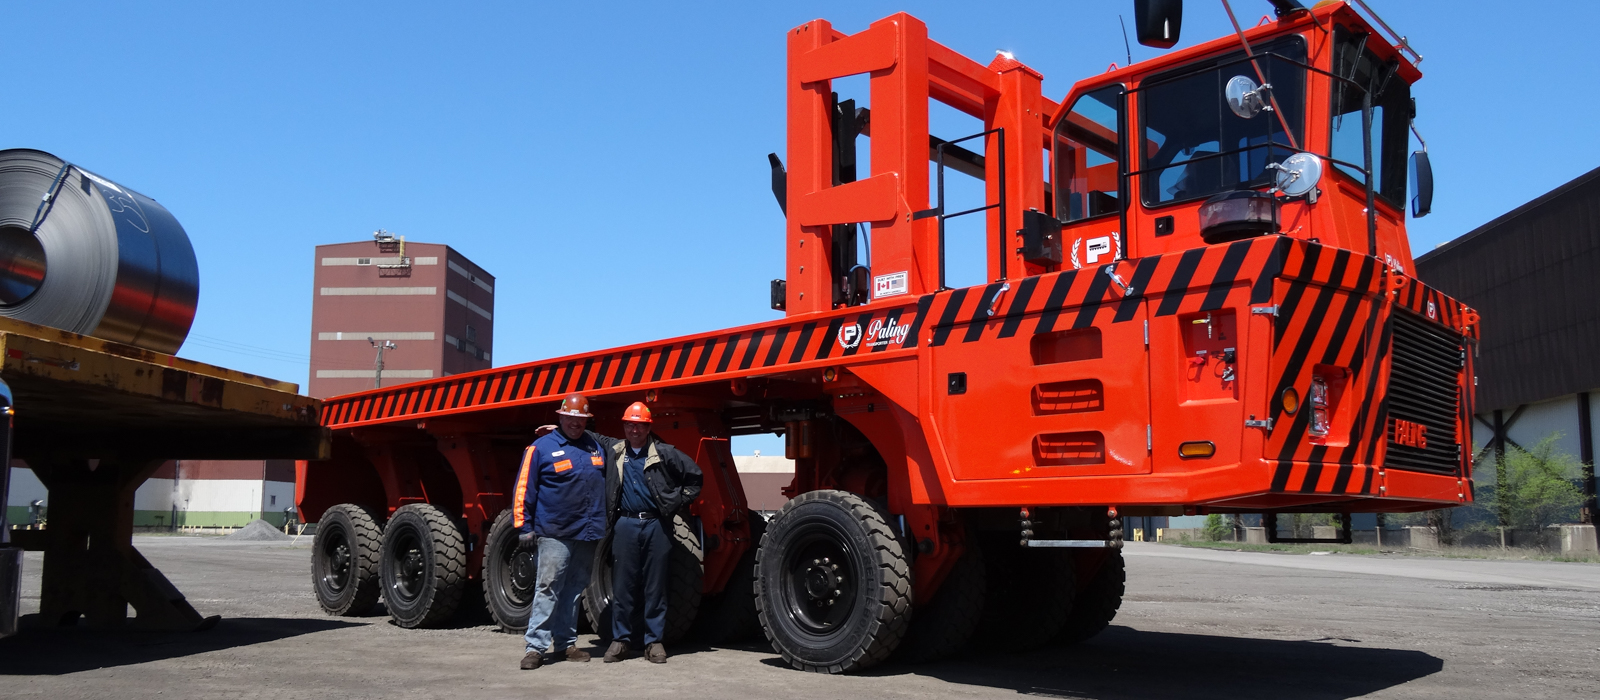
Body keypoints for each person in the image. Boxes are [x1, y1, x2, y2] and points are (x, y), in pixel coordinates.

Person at [599, 402, 702, 664]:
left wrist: (676, 502)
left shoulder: (666, 453)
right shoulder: (615, 451)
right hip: (625, 524)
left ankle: (653, 642)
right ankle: (620, 641)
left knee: (656, 586)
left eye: (640, 425)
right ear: (624, 426)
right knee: (623, 586)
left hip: (657, 525)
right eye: (630, 424)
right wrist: (557, 433)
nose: (634, 429)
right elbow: (588, 436)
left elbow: (695, 477)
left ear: (648, 427)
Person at [517, 394, 609, 671]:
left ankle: (566, 643)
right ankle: (535, 648)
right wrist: (524, 526)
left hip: (587, 531)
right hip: (555, 532)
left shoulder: (594, 447)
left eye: (581, 419)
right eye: (571, 418)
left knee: (574, 589)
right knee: (548, 588)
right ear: (561, 417)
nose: (575, 423)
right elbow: (524, 487)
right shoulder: (540, 448)